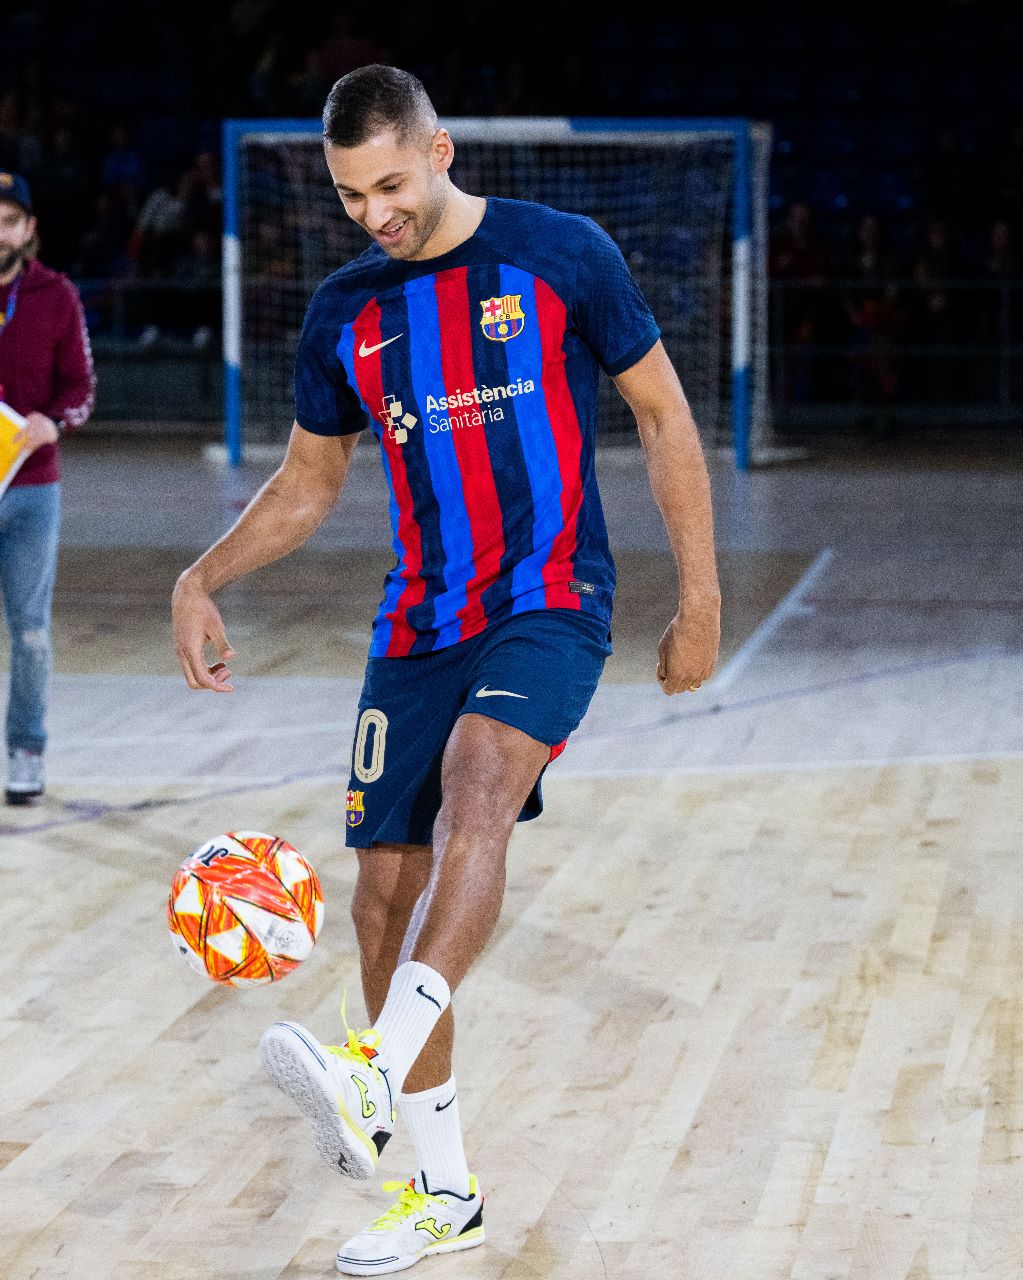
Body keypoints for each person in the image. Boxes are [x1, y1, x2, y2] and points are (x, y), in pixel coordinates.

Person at [171, 65, 720, 1274]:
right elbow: (309, 486)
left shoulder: (560, 253)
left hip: (552, 597)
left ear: (441, 151)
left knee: (483, 782)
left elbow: (666, 415)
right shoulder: (346, 310)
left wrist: (702, 598)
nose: (374, 212)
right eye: (351, 193)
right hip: (419, 623)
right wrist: (201, 576)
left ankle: (365, 1064)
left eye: (390, 182)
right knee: (378, 897)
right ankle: (443, 1190)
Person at [0, 170, 95, 804]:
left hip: (32, 491)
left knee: (30, 629)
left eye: (9, 219)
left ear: (28, 228)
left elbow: (81, 389)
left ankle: (26, 750)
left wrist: (52, 422)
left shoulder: (57, 295)